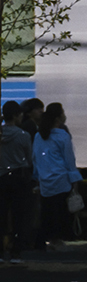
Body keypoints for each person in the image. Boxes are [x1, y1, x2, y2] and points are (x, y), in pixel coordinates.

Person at [30, 101, 78, 247]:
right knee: (60, 211)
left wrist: (37, 176)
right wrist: (74, 179)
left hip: (45, 180)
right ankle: (56, 239)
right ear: (58, 118)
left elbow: (35, 157)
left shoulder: (39, 136)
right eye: (63, 113)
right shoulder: (62, 135)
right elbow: (69, 159)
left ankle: (43, 240)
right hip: (61, 179)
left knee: (47, 211)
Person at [0, 102, 36, 256]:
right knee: (18, 215)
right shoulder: (23, 135)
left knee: (2, 214)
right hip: (18, 177)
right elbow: (29, 158)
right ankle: (16, 251)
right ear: (15, 116)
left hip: (1, 177)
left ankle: (1, 251)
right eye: (20, 114)